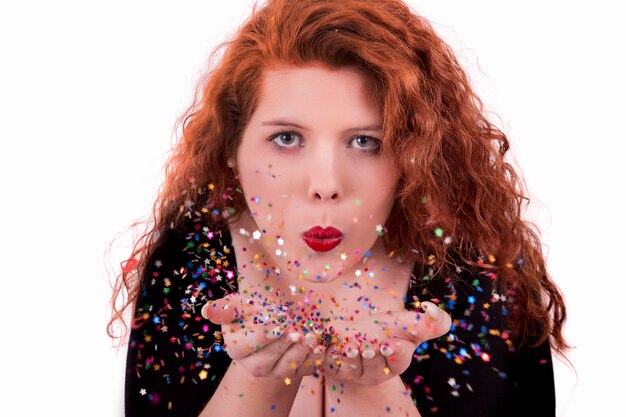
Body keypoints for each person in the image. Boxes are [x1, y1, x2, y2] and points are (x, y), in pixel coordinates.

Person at [108, 0, 568, 416]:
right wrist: (256, 382)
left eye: (366, 141)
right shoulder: (190, 266)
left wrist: (372, 391)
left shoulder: (477, 278)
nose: (326, 184)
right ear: (232, 147)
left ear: (414, 154)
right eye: (286, 139)